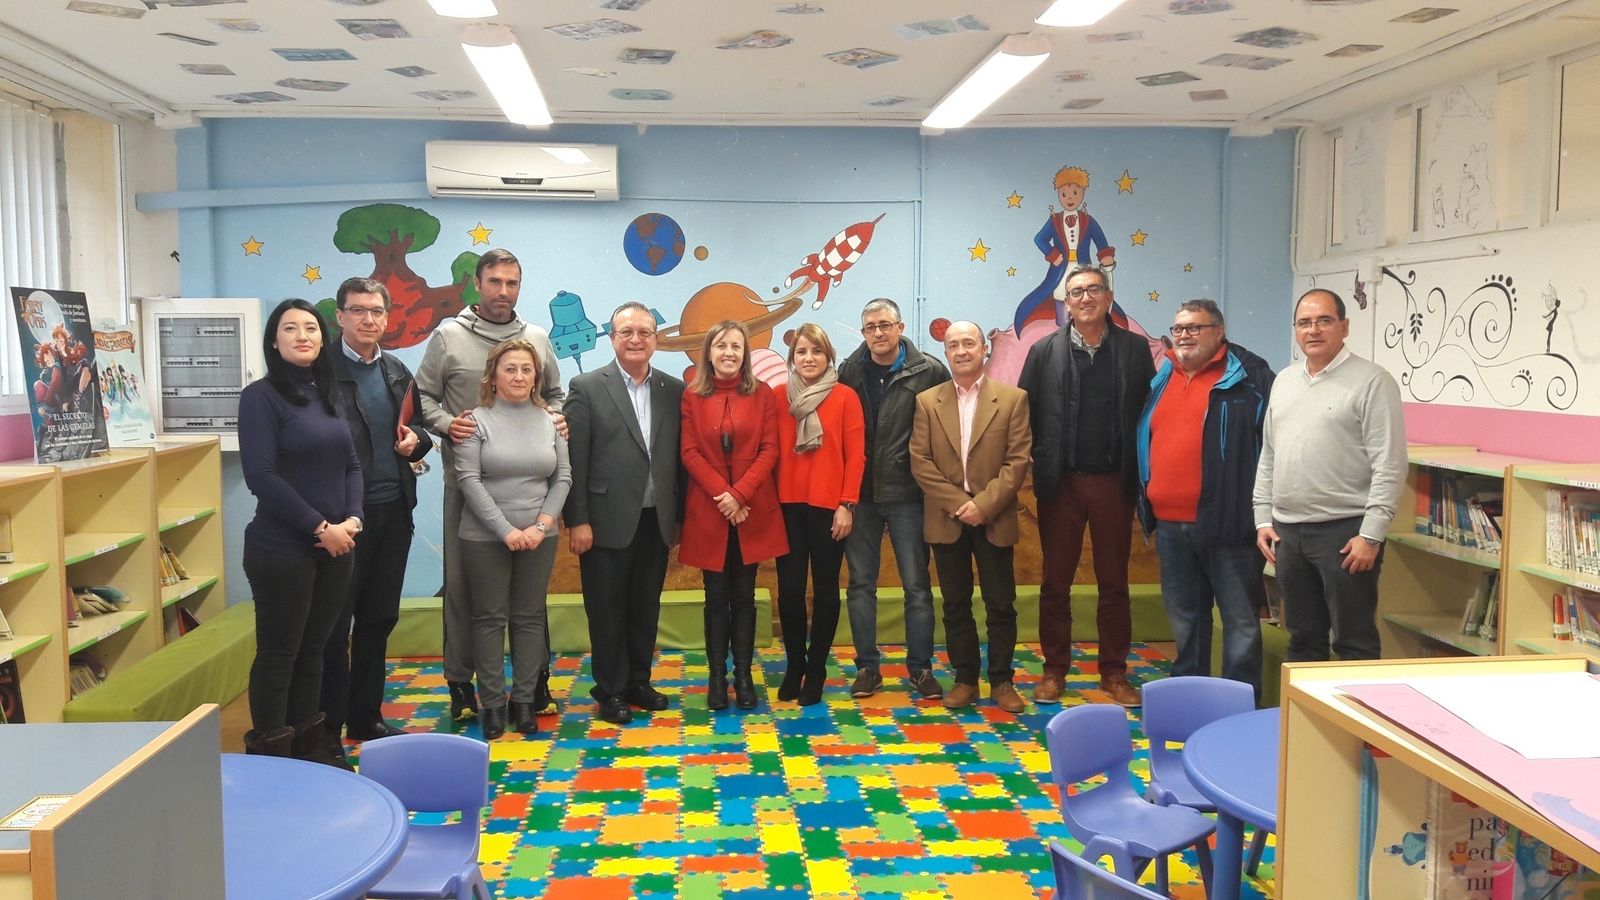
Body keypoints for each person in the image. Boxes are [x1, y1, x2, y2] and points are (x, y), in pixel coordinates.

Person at [416, 248, 564, 724]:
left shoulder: (536, 338)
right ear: (477, 284)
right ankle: (464, 685)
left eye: (512, 282)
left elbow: (557, 396)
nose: (504, 291)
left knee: (527, 599)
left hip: (531, 491)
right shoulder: (449, 336)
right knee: (466, 593)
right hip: (469, 485)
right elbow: (421, 396)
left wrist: (556, 420)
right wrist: (446, 424)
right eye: (495, 281)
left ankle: (533, 684)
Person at [1018, 265, 1155, 707]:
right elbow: (1026, 415)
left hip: (1116, 482)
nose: (1085, 298)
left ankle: (1114, 672)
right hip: (1062, 484)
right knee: (1054, 583)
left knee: (1114, 583)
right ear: (1067, 302)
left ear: (1108, 296)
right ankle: (1054, 671)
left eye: (1093, 289)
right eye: (1076, 292)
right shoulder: (1043, 351)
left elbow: (1148, 413)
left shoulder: (1135, 351)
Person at [237, 298, 362, 767]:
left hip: (337, 547)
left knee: (316, 651)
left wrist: (353, 521)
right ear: (274, 339)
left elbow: (351, 464)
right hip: (281, 550)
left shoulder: (330, 395)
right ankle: (271, 755)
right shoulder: (260, 397)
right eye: (290, 328)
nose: (302, 335)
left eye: (311, 327)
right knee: (279, 655)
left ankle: (309, 753)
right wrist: (319, 526)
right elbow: (262, 477)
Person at [1254, 289, 1406, 662]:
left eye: (1324, 320)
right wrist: (1262, 516)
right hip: (1288, 533)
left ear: (1344, 326)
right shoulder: (1284, 381)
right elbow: (1270, 453)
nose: (1314, 330)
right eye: (1304, 323)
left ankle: (1354, 720)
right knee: (1303, 639)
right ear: (1295, 330)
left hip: (1345, 534)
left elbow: (1390, 463)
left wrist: (1371, 535)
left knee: (1354, 641)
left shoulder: (1372, 381)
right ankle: (1307, 721)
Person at [1136, 299, 1274, 700]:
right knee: (1185, 620)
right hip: (1171, 525)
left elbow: (1272, 447)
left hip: (1229, 522)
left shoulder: (1251, 379)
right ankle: (1189, 698)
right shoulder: (1164, 376)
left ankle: (1238, 704)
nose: (1184, 335)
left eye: (1195, 328)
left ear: (1219, 331)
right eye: (1179, 328)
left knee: (1239, 622)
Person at [322, 278, 434, 753]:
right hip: (344, 517)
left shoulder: (396, 369)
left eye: (377, 312)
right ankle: (326, 729)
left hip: (394, 510)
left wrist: (417, 444)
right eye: (358, 311)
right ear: (340, 316)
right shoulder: (319, 371)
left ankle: (365, 718)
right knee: (334, 623)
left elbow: (421, 428)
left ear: (387, 318)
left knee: (379, 617)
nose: (369, 320)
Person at [564, 302, 684, 725]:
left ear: (655, 338)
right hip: (602, 520)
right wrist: (576, 519)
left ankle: (638, 680)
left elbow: (678, 459)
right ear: (612, 338)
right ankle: (610, 689)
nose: (636, 340)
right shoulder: (586, 386)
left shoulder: (674, 389)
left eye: (644, 332)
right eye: (626, 332)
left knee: (644, 605)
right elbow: (573, 459)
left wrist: (680, 518)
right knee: (606, 608)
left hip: (656, 518)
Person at [909, 322, 1031, 714]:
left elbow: (1016, 462)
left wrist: (984, 505)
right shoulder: (927, 401)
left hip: (993, 518)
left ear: (984, 350)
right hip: (947, 519)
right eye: (952, 345)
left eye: (968, 343)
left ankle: (1001, 680)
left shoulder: (1013, 399)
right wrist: (960, 503)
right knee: (955, 603)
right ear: (945, 352)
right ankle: (965, 679)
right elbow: (920, 462)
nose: (960, 350)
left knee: (1001, 603)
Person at [455, 338, 571, 739]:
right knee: (489, 619)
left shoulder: (551, 420)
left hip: (541, 536)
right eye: (510, 369)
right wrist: (506, 531)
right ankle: (491, 704)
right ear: (493, 375)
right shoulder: (475, 420)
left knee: (529, 617)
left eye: (526, 369)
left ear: (536, 376)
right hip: (484, 538)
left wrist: (539, 527)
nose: (519, 376)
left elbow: (563, 478)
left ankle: (523, 701)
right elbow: (468, 479)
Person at [838, 298, 950, 700]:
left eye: (885, 325)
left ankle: (920, 670)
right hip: (861, 496)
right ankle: (867, 668)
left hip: (909, 494)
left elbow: (944, 432)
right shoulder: (848, 371)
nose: (878, 333)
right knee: (860, 585)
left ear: (900, 326)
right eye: (870, 327)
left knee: (917, 586)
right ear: (863, 331)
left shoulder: (931, 371)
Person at [680, 321, 787, 711]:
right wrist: (723, 495)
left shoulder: (764, 396)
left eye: (736, 346)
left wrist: (739, 493)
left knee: (744, 598)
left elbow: (770, 450)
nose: (728, 352)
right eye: (721, 345)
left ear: (746, 354)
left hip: (751, 509)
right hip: (710, 510)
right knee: (716, 598)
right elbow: (690, 452)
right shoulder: (692, 396)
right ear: (708, 352)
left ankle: (743, 677)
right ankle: (715, 678)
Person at [773, 323, 864, 706]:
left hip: (830, 508)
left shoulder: (845, 397)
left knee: (826, 590)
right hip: (787, 506)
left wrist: (848, 504)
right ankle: (796, 664)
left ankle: (818, 667)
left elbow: (856, 455)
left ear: (829, 356)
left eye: (817, 352)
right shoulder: (778, 397)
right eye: (801, 352)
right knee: (791, 591)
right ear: (792, 359)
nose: (808, 359)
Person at [1014, 165, 1117, 334]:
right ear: (1058, 195)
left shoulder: (1087, 220)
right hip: (1061, 268)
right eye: (1064, 194)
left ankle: (1084, 329)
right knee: (1060, 292)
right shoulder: (1055, 220)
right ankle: (1062, 327)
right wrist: (1052, 254)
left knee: (1086, 296)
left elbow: (1100, 240)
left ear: (1082, 193)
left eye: (1074, 193)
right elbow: (1039, 239)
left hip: (1083, 268)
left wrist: (1106, 256)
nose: (1069, 198)